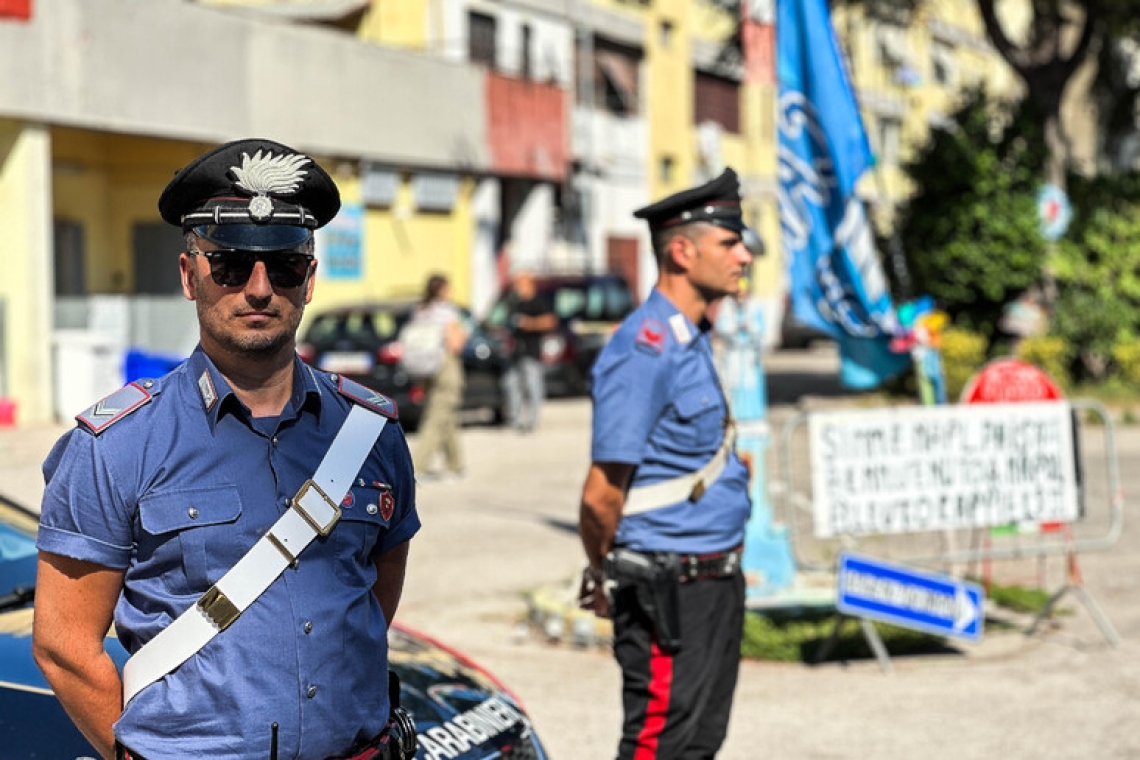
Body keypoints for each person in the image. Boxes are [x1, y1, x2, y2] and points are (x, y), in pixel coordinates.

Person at [32, 138, 419, 760]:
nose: (260, 289)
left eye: (285, 266)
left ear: (310, 279)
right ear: (190, 276)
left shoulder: (370, 432)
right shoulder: (114, 446)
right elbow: (64, 644)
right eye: (232, 266)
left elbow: (375, 590)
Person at [577, 168, 755, 760]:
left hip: (711, 579)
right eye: (730, 243)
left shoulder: (689, 335)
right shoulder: (643, 347)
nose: (745, 255)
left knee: (700, 740)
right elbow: (603, 493)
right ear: (682, 251)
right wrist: (603, 570)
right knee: (661, 744)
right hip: (665, 587)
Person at [410, 273, 469, 480]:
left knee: (447, 415)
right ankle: (418, 466)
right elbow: (455, 344)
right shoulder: (447, 312)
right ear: (443, 290)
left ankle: (456, 465)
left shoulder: (421, 311)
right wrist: (464, 333)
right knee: (436, 419)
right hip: (445, 366)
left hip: (426, 368)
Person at [501, 270, 558, 432]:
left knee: (532, 386)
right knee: (511, 384)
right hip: (515, 351)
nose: (517, 288)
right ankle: (515, 419)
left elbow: (550, 321)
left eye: (519, 284)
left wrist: (529, 323)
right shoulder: (515, 303)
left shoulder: (539, 301)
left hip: (531, 351)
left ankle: (532, 420)